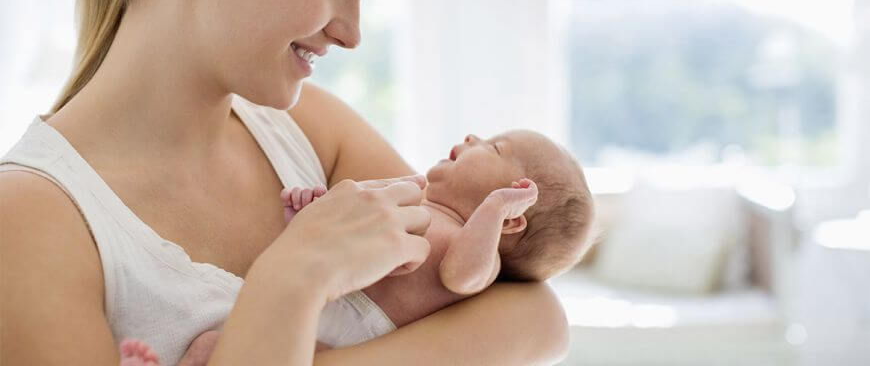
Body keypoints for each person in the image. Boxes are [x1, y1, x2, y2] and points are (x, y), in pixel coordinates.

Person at [0, 0, 569, 365]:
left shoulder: (310, 129)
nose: (352, 34)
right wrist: (292, 280)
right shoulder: (27, 218)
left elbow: (536, 317)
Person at [120, 130, 596, 364]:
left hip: (355, 332)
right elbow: (345, 222)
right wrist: (312, 212)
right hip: (327, 298)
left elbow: (460, 276)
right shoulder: (417, 193)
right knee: (210, 345)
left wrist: (491, 210)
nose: (472, 137)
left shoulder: (478, 253)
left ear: (513, 216)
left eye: (492, 148)